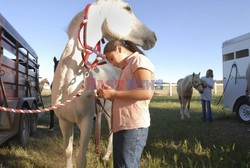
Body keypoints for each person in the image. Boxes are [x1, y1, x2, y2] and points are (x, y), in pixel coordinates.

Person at [94, 40, 155, 168]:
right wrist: (107, 95)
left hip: (133, 127)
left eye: (111, 58)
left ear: (119, 49)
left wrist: (113, 94)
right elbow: (125, 98)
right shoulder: (127, 68)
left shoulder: (139, 61)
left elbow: (146, 92)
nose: (112, 63)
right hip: (123, 127)